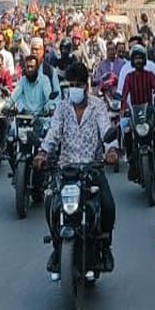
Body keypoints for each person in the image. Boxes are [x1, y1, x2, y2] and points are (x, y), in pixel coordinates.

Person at [33, 63, 118, 275]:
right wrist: (42, 153)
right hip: (66, 170)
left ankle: (104, 247)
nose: (74, 88)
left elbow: (106, 129)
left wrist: (111, 150)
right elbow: (53, 134)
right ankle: (56, 247)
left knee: (107, 205)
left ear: (86, 86)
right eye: (71, 85)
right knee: (50, 204)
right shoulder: (62, 107)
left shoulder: (98, 106)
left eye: (78, 84)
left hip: (92, 169)